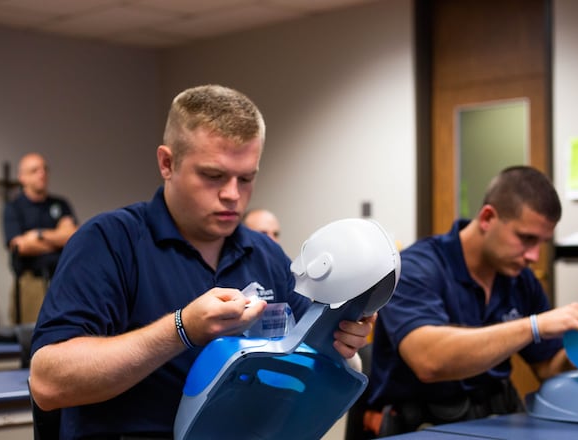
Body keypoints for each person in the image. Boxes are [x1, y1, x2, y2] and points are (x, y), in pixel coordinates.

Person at [28, 84, 375, 439]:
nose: (232, 194)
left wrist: (343, 345)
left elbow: (317, 357)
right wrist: (181, 329)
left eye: (246, 178)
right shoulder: (109, 241)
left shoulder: (265, 254)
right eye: (213, 176)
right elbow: (48, 383)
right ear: (167, 163)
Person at [366, 165, 578, 436]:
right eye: (526, 238)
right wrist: (534, 326)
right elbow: (429, 361)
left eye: (541, 243)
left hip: (496, 420)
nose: (534, 256)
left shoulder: (520, 280)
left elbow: (547, 366)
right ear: (487, 218)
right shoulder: (416, 268)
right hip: (421, 427)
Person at [2, 152, 78, 324]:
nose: (42, 174)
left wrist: (39, 236)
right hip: (31, 282)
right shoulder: (14, 207)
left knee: (65, 331)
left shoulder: (60, 204)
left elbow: (73, 237)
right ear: (22, 177)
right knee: (32, 333)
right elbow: (20, 246)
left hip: (61, 280)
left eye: (44, 169)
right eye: (34, 170)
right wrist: (58, 240)